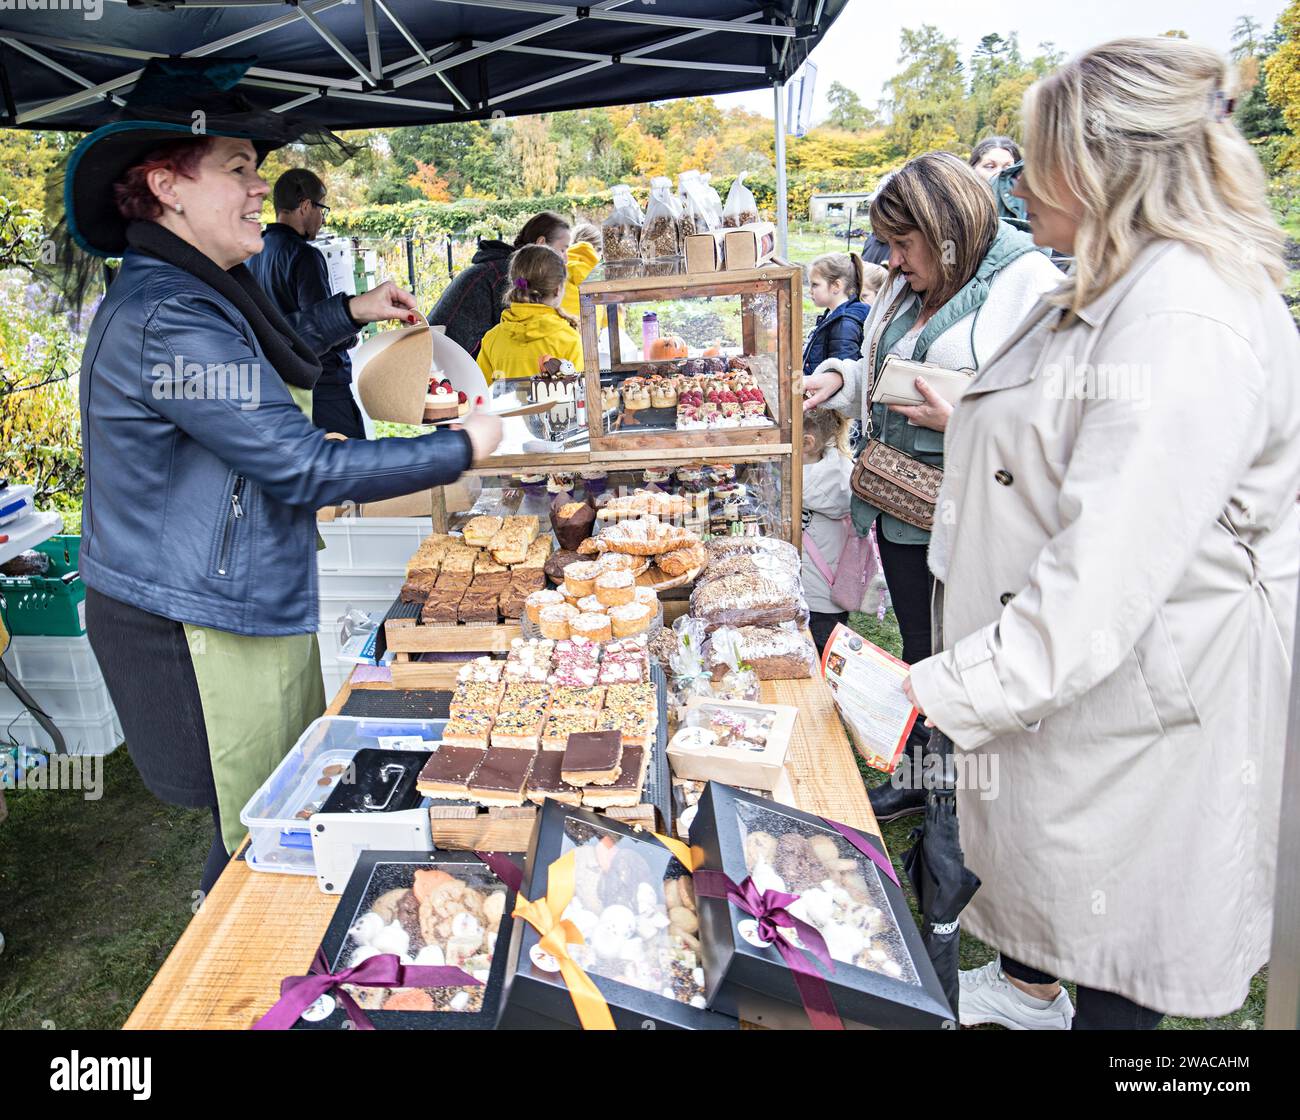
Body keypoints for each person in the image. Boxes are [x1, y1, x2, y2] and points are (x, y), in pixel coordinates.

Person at [907, 37, 1300, 1030]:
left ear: (1098, 167)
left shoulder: (1182, 314)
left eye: (1034, 161)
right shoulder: (1116, 279)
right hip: (1100, 697)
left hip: (1143, 700)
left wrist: (921, 694)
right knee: (1097, 941)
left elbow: (1100, 580)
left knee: (1125, 961)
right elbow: (1054, 417)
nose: (1013, 187)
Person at [66, 118, 503, 896]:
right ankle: (232, 978)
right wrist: (462, 446)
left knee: (287, 794)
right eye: (237, 168)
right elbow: (300, 466)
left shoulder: (185, 291)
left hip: (234, 589)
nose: (260, 187)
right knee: (260, 821)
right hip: (195, 616)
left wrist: (354, 310)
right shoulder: (170, 319)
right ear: (166, 188)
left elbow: (263, 352)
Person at [802, 152, 1062, 824]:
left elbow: (1054, 411)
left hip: (973, 514)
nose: (890, 260)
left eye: (902, 243)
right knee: (922, 647)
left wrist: (969, 418)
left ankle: (974, 800)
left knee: (966, 649)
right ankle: (926, 773)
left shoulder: (1026, 283)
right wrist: (841, 380)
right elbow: (886, 366)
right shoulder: (908, 282)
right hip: (900, 505)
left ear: (948, 227)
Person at [246, 168, 365, 438]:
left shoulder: (251, 254)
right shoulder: (304, 256)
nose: (322, 218)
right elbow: (323, 326)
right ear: (306, 206)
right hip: (322, 387)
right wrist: (351, 335)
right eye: (322, 209)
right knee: (350, 466)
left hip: (278, 385)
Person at [427, 211, 572, 358]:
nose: (566, 258)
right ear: (541, 244)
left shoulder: (500, 267)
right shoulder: (507, 275)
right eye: (563, 249)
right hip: (448, 365)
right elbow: (522, 342)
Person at [476, 244, 583, 382]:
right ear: (557, 289)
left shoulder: (492, 339)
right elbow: (581, 393)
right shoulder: (568, 339)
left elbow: (481, 392)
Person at [800, 408, 855, 654]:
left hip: (816, 599)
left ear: (807, 442)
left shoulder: (805, 483)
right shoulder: (838, 465)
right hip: (834, 592)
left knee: (816, 655)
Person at [801, 251, 881, 378]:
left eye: (815, 285)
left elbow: (842, 374)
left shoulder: (845, 324)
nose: (810, 291)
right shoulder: (832, 315)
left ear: (836, 286)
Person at [562, 220, 601, 366]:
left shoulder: (558, 270)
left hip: (559, 347)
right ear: (597, 249)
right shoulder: (596, 274)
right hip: (586, 352)